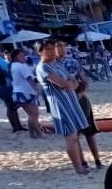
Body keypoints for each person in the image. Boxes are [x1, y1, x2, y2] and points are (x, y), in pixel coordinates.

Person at [35, 41, 89, 174]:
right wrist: (69, 84)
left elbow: (74, 82)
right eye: (48, 49)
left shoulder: (56, 64)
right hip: (60, 104)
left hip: (71, 101)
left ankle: (82, 164)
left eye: (52, 48)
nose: (52, 51)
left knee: (75, 135)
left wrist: (70, 84)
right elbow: (64, 84)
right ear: (40, 52)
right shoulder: (43, 67)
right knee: (71, 136)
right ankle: (78, 168)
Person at [0, 47, 23, 133]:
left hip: (9, 84)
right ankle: (14, 126)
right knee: (10, 106)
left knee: (14, 106)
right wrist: (10, 75)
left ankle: (18, 125)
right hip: (3, 85)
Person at [10, 48, 42, 138]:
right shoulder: (21, 66)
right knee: (34, 114)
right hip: (26, 91)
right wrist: (36, 89)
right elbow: (29, 78)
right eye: (21, 56)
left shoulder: (13, 65)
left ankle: (32, 134)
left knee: (31, 114)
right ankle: (39, 134)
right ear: (16, 57)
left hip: (18, 91)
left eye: (23, 55)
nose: (24, 57)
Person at [75, 79, 104, 171]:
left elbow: (84, 82)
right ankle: (88, 162)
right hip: (75, 99)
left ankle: (94, 162)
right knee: (77, 137)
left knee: (86, 135)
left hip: (78, 99)